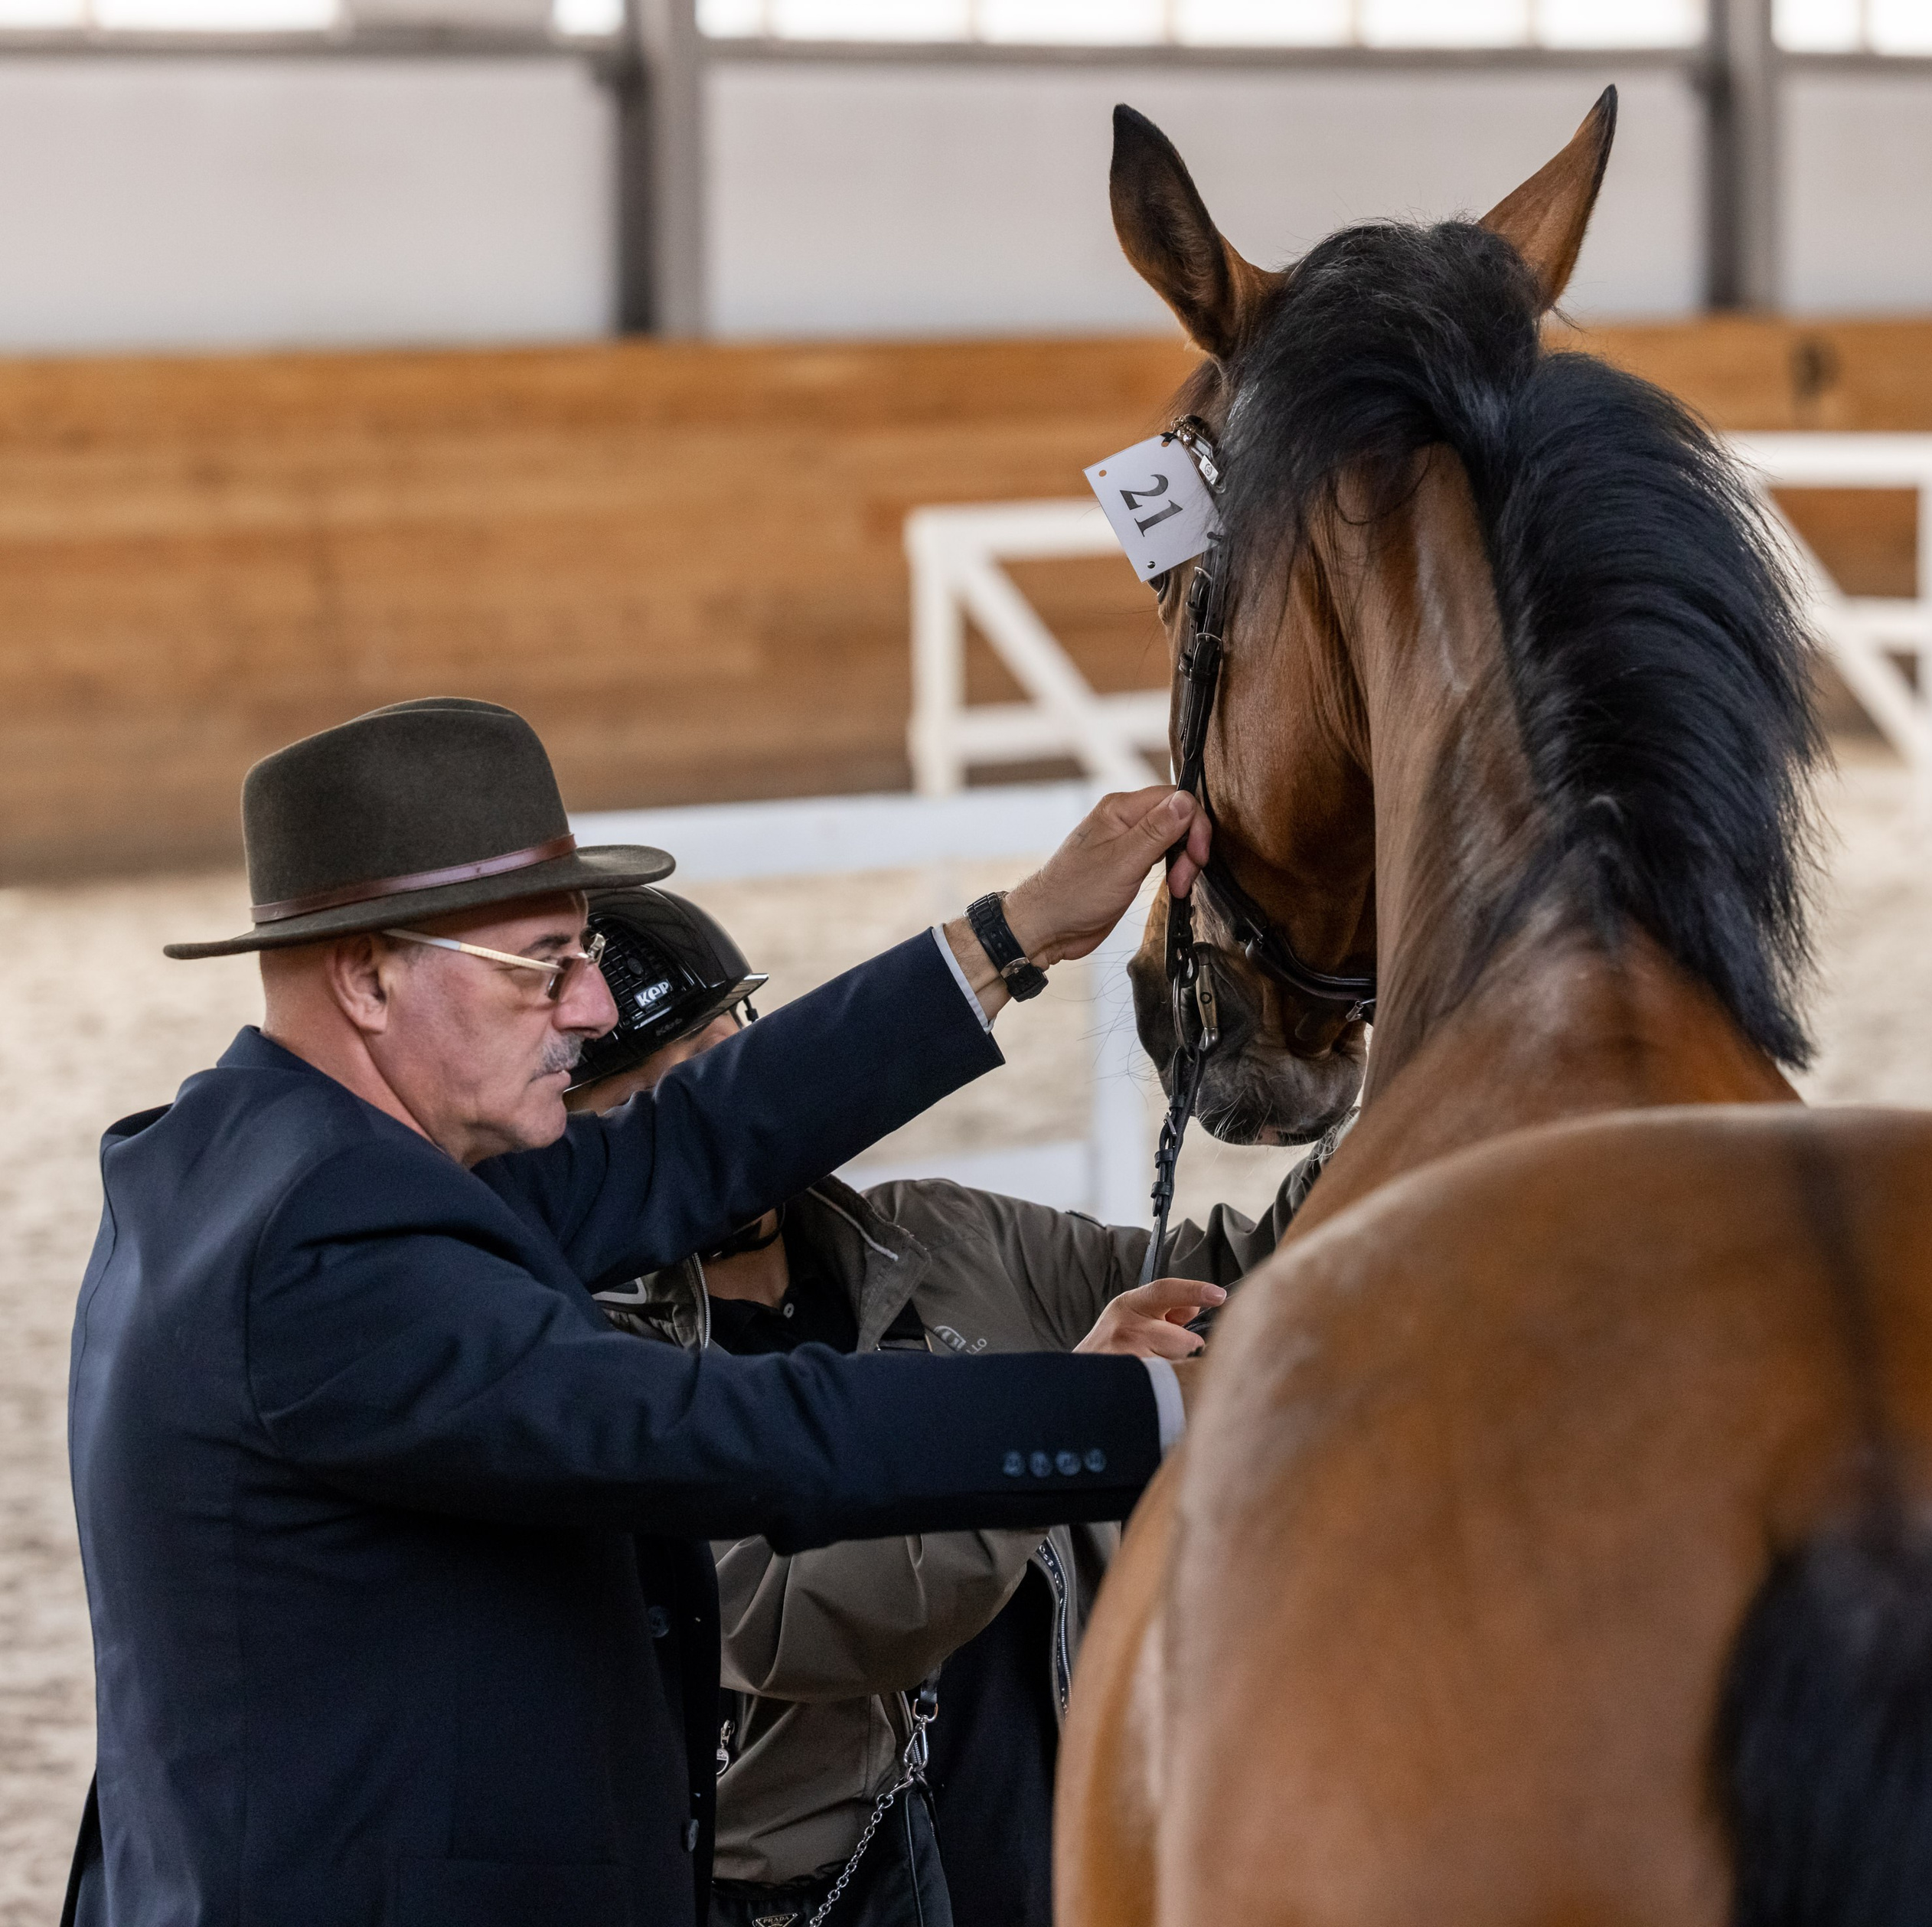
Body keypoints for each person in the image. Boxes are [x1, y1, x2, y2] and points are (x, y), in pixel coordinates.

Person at [63, 696, 1214, 1927]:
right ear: (367, 977)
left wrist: (1018, 931)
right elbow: (718, 1432)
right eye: (543, 966)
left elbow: (701, 1137)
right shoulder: (331, 1257)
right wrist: (1139, 1411)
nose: (595, 1010)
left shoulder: (261, 1165)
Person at [567, 887, 1333, 1927]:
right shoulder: (597, 1379)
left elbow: (1243, 1276)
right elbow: (812, 1620)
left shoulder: (945, 1238)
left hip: (1071, 1883)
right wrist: (1069, 1410)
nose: (703, 1124)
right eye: (632, 1109)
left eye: (717, 1064)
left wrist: (1440, 1059)